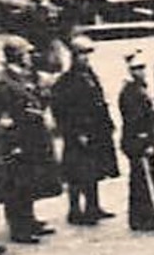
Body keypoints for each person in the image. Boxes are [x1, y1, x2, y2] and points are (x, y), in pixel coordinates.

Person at [0, 38, 61, 244]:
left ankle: (30, 219)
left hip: (33, 137)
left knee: (30, 181)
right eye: (25, 53)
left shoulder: (25, 76)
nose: (29, 57)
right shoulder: (3, 81)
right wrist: (12, 141)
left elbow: (35, 99)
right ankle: (19, 228)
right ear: (16, 56)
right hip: (18, 139)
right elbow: (4, 114)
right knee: (17, 184)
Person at [49, 37, 118, 226]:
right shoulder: (66, 81)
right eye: (81, 54)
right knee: (76, 174)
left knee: (93, 171)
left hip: (95, 130)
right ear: (73, 56)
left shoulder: (89, 74)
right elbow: (61, 110)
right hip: (78, 134)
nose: (85, 58)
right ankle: (74, 210)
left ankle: (93, 207)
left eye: (87, 54)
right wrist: (75, 132)